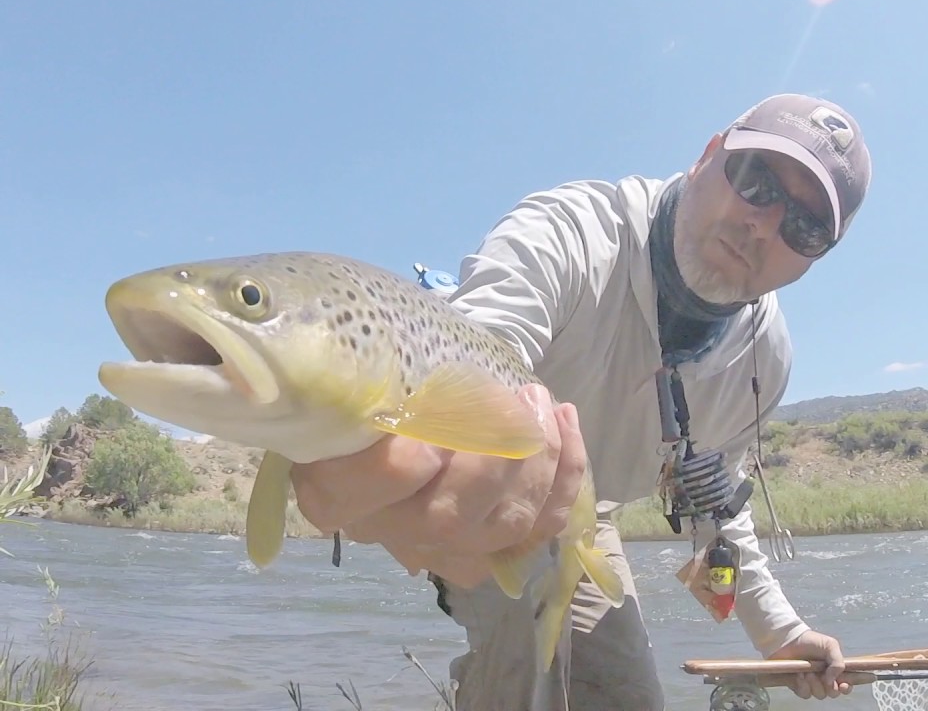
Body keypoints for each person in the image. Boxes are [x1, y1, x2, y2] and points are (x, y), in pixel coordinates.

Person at [290, 92, 872, 710]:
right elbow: (474, 346)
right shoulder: (569, 231)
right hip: (494, 477)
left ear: (815, 259)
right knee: (530, 669)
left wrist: (782, 634)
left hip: (588, 518)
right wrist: (408, 449)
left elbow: (713, 501)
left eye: (805, 227)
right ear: (707, 156)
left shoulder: (766, 359)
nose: (764, 224)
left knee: (628, 696)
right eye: (756, 182)